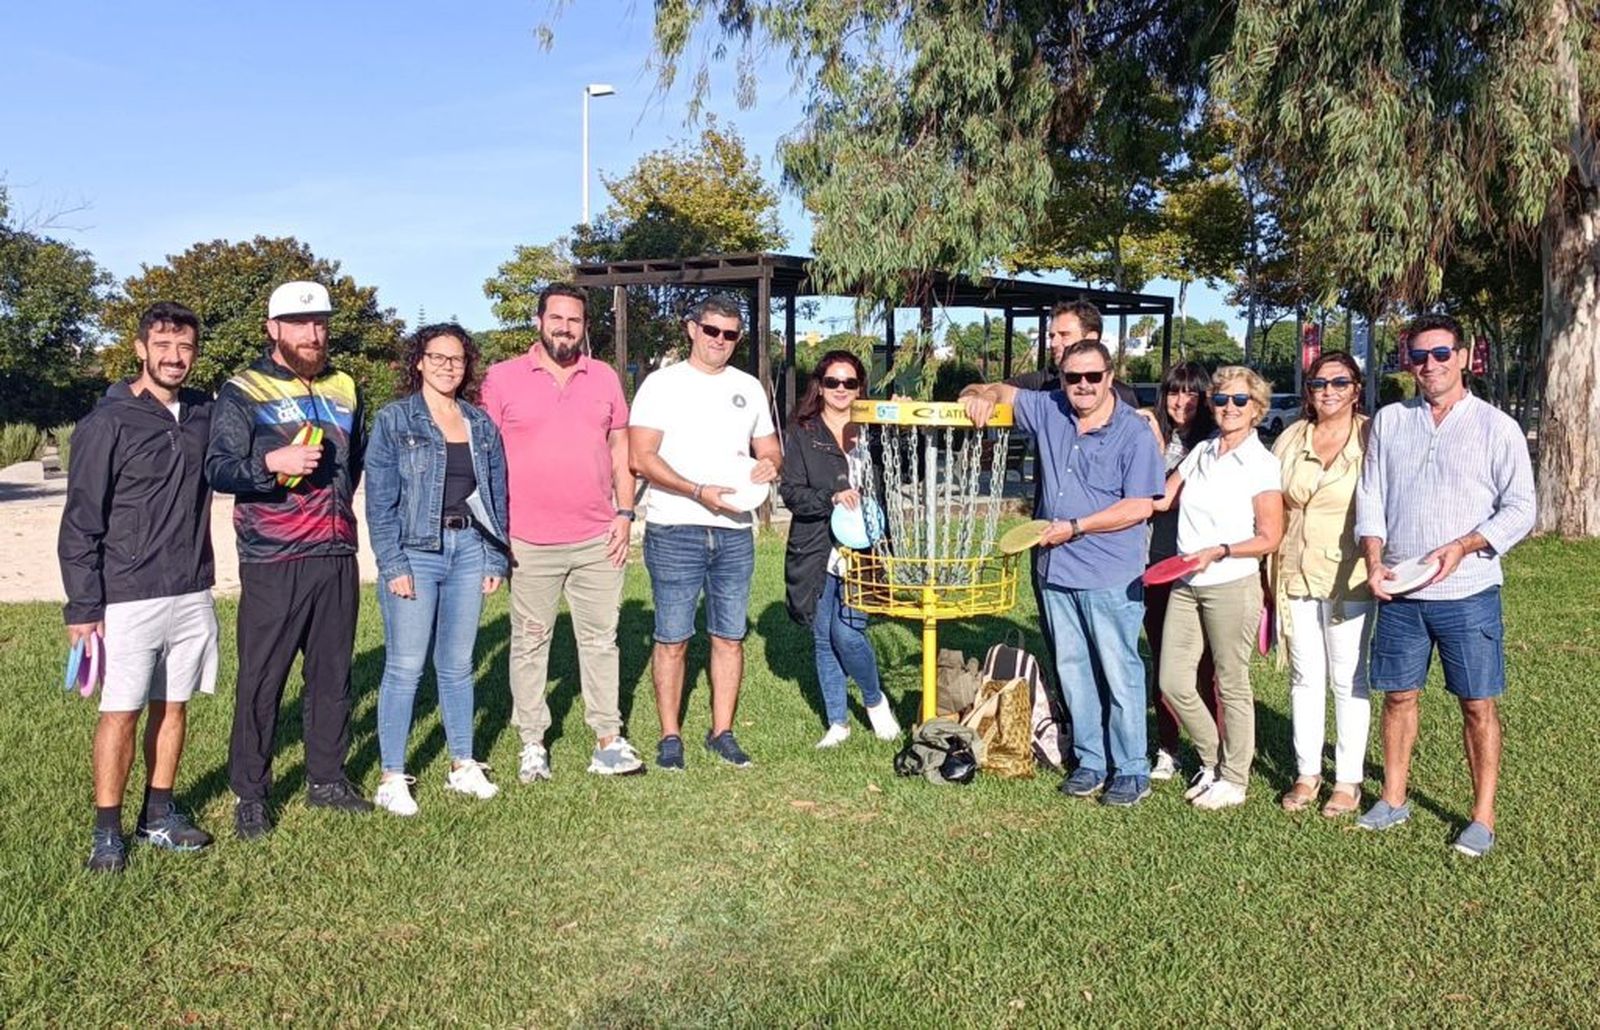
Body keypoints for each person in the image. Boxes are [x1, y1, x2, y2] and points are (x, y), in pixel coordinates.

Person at [1354, 313, 1535, 857]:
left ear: (1464, 356)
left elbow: (1522, 509)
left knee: (1477, 704)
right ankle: (1393, 797)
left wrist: (1464, 546)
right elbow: (1372, 496)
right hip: (1403, 591)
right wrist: (1374, 558)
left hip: (1470, 592)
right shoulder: (1389, 420)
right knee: (1399, 696)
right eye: (1417, 356)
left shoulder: (1495, 427)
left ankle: (1481, 816)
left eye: (1440, 354)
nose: (1429, 365)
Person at [963, 341, 1165, 806]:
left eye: (1094, 377)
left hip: (1111, 571)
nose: (1084, 386)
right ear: (1063, 378)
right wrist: (981, 394)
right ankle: (1091, 761)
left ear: (1110, 377)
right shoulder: (1049, 407)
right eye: (1074, 377)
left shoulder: (1132, 432)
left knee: (1119, 672)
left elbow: (1139, 506)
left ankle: (1131, 768)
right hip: (1057, 572)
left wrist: (1076, 527)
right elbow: (996, 390)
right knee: (1074, 672)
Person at [206, 280, 370, 838]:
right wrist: (271, 462)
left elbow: (356, 461)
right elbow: (219, 468)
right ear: (273, 328)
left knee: (331, 676)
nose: (313, 333)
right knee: (262, 680)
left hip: (336, 551)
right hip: (272, 557)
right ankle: (250, 793)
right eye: (300, 324)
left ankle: (326, 778)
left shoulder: (346, 385)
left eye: (321, 322)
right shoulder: (241, 390)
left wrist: (338, 513)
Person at [59, 302, 219, 872]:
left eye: (186, 348)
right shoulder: (107, 423)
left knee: (172, 707)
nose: (175, 358)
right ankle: (107, 830)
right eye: (164, 345)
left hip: (192, 589)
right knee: (120, 712)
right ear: (140, 348)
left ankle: (159, 815)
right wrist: (84, 605)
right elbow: (81, 520)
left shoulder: (204, 412)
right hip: (128, 594)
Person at [480, 284, 643, 781]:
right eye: (557, 319)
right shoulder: (502, 378)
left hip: (598, 536)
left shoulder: (604, 378)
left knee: (600, 640)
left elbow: (620, 449)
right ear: (538, 321)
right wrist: (495, 532)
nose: (565, 328)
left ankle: (608, 739)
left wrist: (625, 513)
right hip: (527, 539)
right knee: (531, 642)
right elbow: (485, 461)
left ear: (584, 326)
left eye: (575, 321)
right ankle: (533, 743)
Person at [630, 295, 782, 770]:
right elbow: (641, 458)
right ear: (692, 329)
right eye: (712, 330)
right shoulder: (662, 385)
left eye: (730, 334)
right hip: (676, 526)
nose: (720, 341)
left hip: (734, 530)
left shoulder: (749, 388)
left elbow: (770, 450)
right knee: (673, 637)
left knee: (729, 636)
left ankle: (722, 732)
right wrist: (697, 491)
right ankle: (670, 736)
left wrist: (768, 466)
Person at [365, 324, 509, 816]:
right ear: (419, 362)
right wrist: (393, 562)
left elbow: (495, 495)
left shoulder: (480, 424)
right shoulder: (394, 421)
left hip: (469, 547)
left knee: (458, 664)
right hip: (416, 552)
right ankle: (391, 775)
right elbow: (380, 503)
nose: (449, 366)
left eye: (458, 359)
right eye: (438, 357)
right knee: (405, 666)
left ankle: (462, 763)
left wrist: (494, 555)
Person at [1153, 365, 1284, 811]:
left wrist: (1221, 550)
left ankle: (1235, 778)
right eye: (1222, 400)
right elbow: (1162, 498)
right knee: (1172, 679)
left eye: (1239, 401)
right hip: (1186, 582)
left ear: (1257, 410)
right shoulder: (1203, 451)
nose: (1228, 408)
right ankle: (1211, 758)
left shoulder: (1262, 463)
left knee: (1231, 683)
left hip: (1230, 582)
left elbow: (1270, 536)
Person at [778, 350, 901, 748]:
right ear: (820, 385)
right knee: (822, 636)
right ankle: (837, 722)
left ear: (860, 386)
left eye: (850, 382)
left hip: (866, 546)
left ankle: (874, 700)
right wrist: (831, 497)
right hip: (816, 547)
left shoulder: (875, 428)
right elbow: (791, 492)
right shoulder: (803, 430)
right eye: (833, 382)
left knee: (847, 634)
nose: (841, 390)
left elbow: (904, 461)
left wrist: (899, 419)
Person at [1270, 352, 1372, 817]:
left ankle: (1348, 780)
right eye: (1318, 383)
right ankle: (1307, 772)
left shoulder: (1372, 437)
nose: (1328, 391)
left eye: (1339, 382)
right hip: (1294, 573)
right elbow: (1271, 501)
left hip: (1350, 576)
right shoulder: (1292, 437)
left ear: (1356, 387)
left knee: (1348, 678)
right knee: (1304, 677)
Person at [1143, 361, 1218, 781]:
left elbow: (1164, 496)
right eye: (1174, 392)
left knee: (1207, 667)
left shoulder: (1213, 444)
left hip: (1199, 567)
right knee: (1164, 661)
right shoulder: (1155, 436)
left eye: (1191, 393)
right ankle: (1168, 747)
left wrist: (1155, 443)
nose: (1181, 401)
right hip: (1156, 563)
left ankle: (1215, 748)